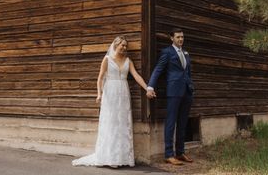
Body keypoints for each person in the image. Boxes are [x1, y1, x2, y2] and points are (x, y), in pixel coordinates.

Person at [72, 35, 149, 167]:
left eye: (126, 46)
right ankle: (109, 157)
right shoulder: (107, 59)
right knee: (111, 123)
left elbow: (136, 75)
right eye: (122, 45)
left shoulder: (128, 61)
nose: (124, 48)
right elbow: (100, 78)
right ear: (115, 45)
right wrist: (99, 94)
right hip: (110, 93)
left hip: (123, 93)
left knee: (122, 124)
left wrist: (147, 88)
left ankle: (121, 157)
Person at [146, 28, 195, 166]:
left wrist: (191, 86)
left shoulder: (186, 53)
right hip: (173, 91)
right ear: (171, 38)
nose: (181, 39)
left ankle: (180, 152)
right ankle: (169, 154)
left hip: (187, 92)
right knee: (171, 122)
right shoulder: (167, 52)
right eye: (178, 37)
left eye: (182, 37)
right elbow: (158, 69)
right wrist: (150, 87)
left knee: (183, 123)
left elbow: (188, 72)